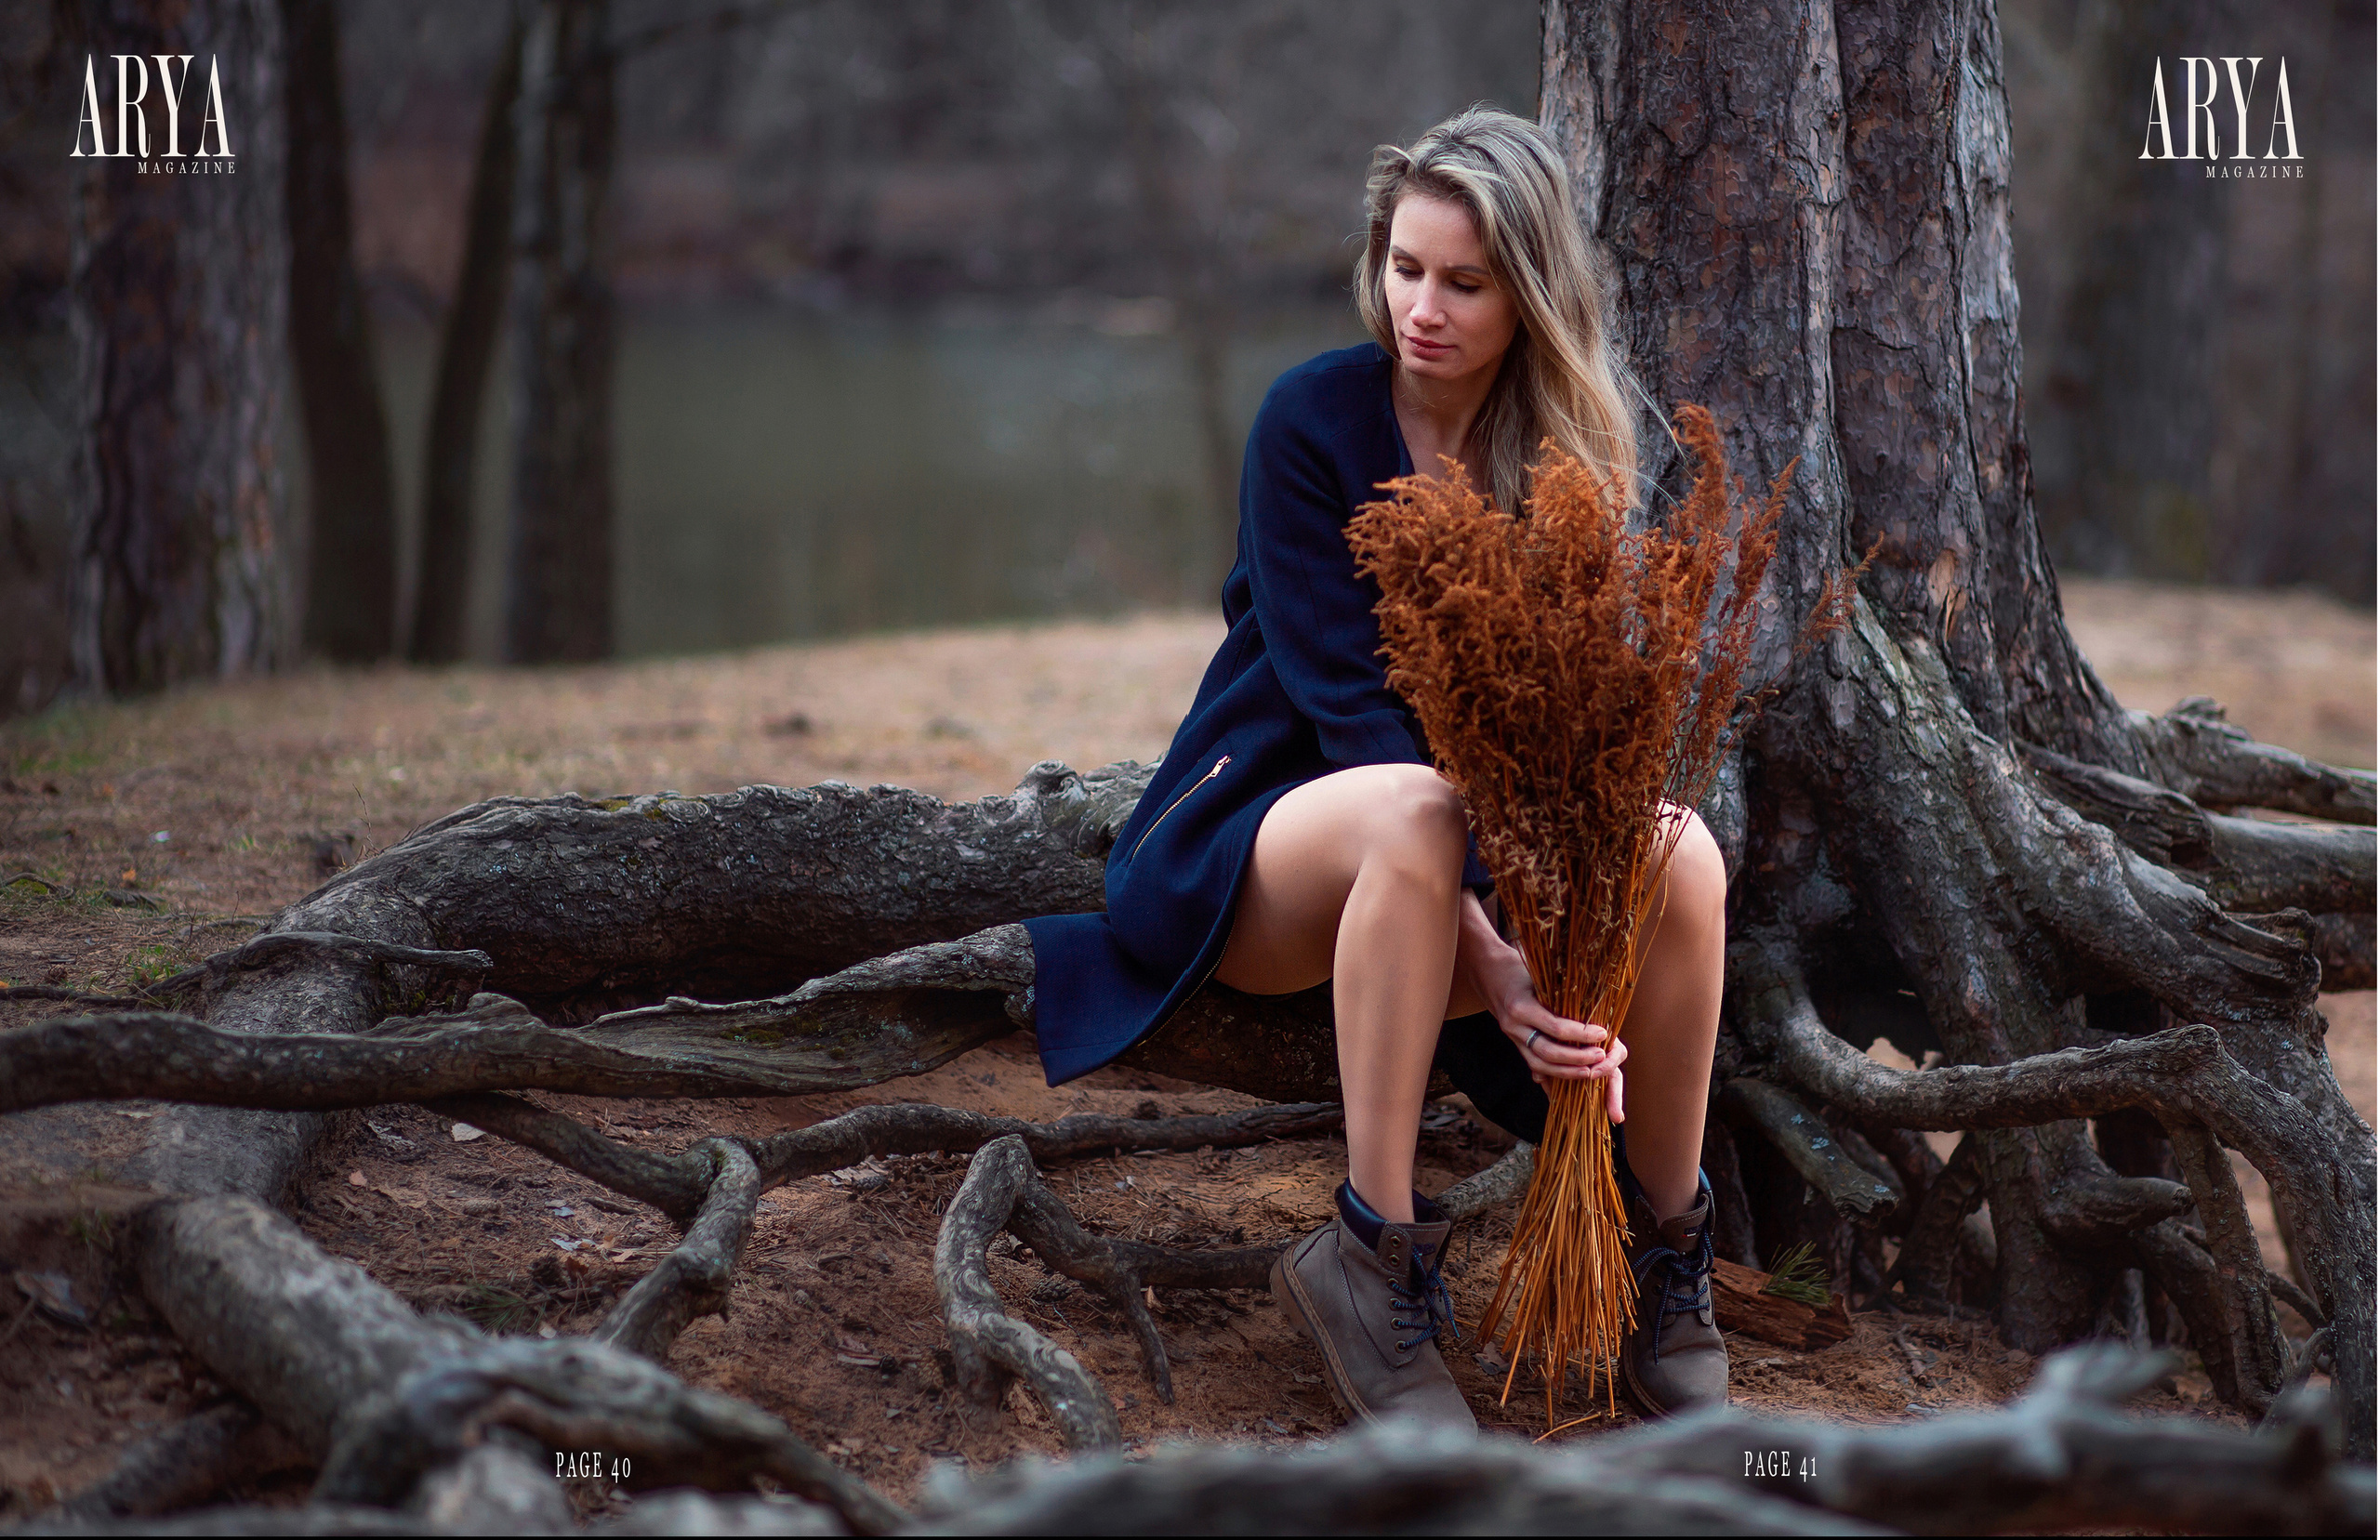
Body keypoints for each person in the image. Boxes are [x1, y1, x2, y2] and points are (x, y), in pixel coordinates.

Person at [1019, 105, 1729, 1432]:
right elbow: (1351, 711)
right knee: (1415, 802)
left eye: (1464, 282)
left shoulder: (1567, 458)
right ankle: (1369, 1250)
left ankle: (1664, 1247)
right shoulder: (1310, 420)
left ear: (1530, 292)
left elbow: (1564, 737)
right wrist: (1500, 954)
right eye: (1406, 268)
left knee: (1681, 848)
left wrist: (1568, 930)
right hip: (1271, 824)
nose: (1425, 308)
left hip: (1475, 849)